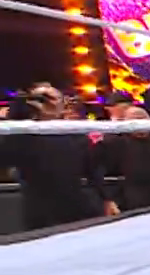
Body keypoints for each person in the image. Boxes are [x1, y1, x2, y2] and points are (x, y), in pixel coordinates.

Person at [0, 83, 112, 231]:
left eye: (51, 97)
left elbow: (93, 170)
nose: (46, 102)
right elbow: (5, 155)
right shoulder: (23, 135)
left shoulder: (74, 134)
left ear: (62, 103)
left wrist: (106, 199)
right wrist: (19, 110)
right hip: (40, 212)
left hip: (74, 207)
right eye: (41, 98)